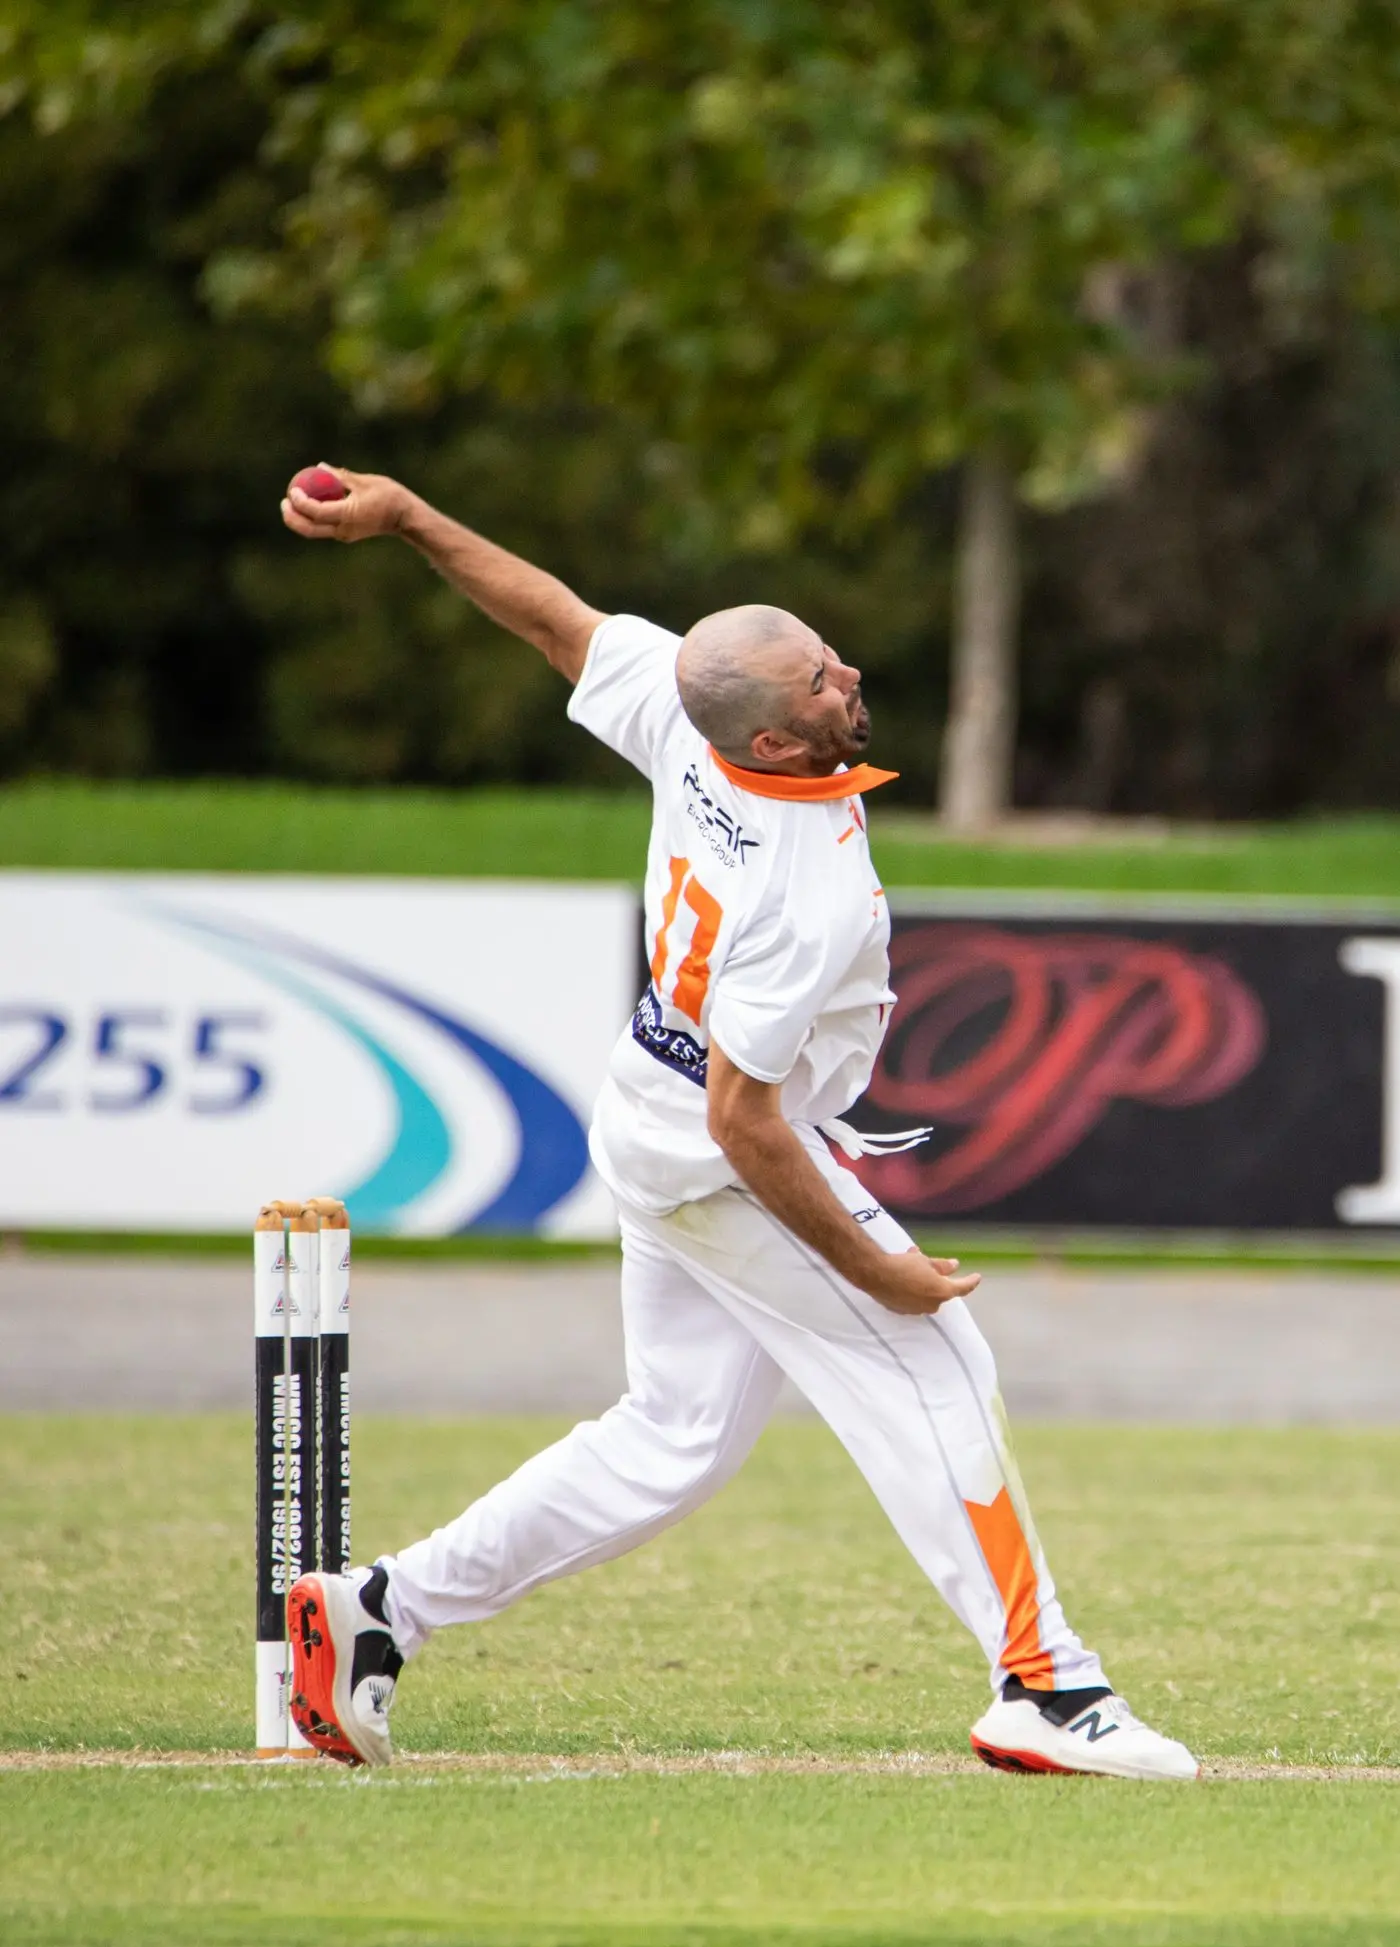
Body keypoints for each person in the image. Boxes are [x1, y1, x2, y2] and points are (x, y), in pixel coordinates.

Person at [279, 464, 1198, 1782]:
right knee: (940, 1360)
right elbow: (750, 1124)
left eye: (827, 657)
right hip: (719, 1151)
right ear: (772, 741)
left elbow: (552, 617)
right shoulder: (791, 889)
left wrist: (412, 518)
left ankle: (380, 1612)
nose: (848, 679)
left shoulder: (683, 711)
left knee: (673, 1441)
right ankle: (1046, 1688)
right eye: (824, 682)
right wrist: (876, 1267)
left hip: (649, 1110)